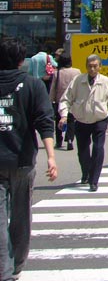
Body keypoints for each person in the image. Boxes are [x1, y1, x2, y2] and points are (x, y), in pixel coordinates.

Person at [0, 38, 57, 281]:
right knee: (21, 216)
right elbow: (45, 122)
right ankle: (16, 267)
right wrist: (51, 157)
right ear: (22, 60)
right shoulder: (33, 85)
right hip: (23, 161)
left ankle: (4, 269)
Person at [59, 54, 108, 193]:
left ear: (100, 67)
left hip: (100, 119)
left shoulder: (106, 82)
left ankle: (94, 180)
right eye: (90, 66)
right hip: (81, 119)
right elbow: (65, 99)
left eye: (95, 66)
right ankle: (86, 173)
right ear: (86, 67)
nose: (92, 69)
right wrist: (63, 115)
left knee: (98, 148)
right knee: (83, 151)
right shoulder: (77, 80)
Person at [48, 54, 80, 150]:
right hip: (73, 99)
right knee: (71, 120)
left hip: (60, 99)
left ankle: (59, 140)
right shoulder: (77, 71)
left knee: (59, 120)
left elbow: (53, 87)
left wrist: (51, 99)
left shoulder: (57, 73)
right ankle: (70, 139)